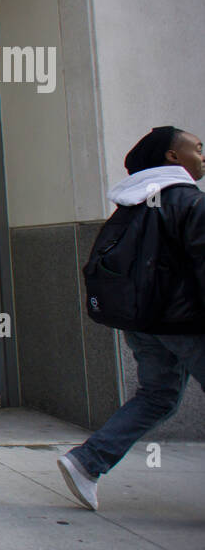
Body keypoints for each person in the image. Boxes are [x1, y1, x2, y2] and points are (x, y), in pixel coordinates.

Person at [58, 126, 205, 510]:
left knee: (158, 396)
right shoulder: (189, 202)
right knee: (158, 397)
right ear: (173, 157)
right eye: (197, 148)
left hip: (143, 325)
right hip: (188, 325)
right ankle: (88, 462)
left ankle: (88, 462)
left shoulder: (131, 203)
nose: (202, 155)